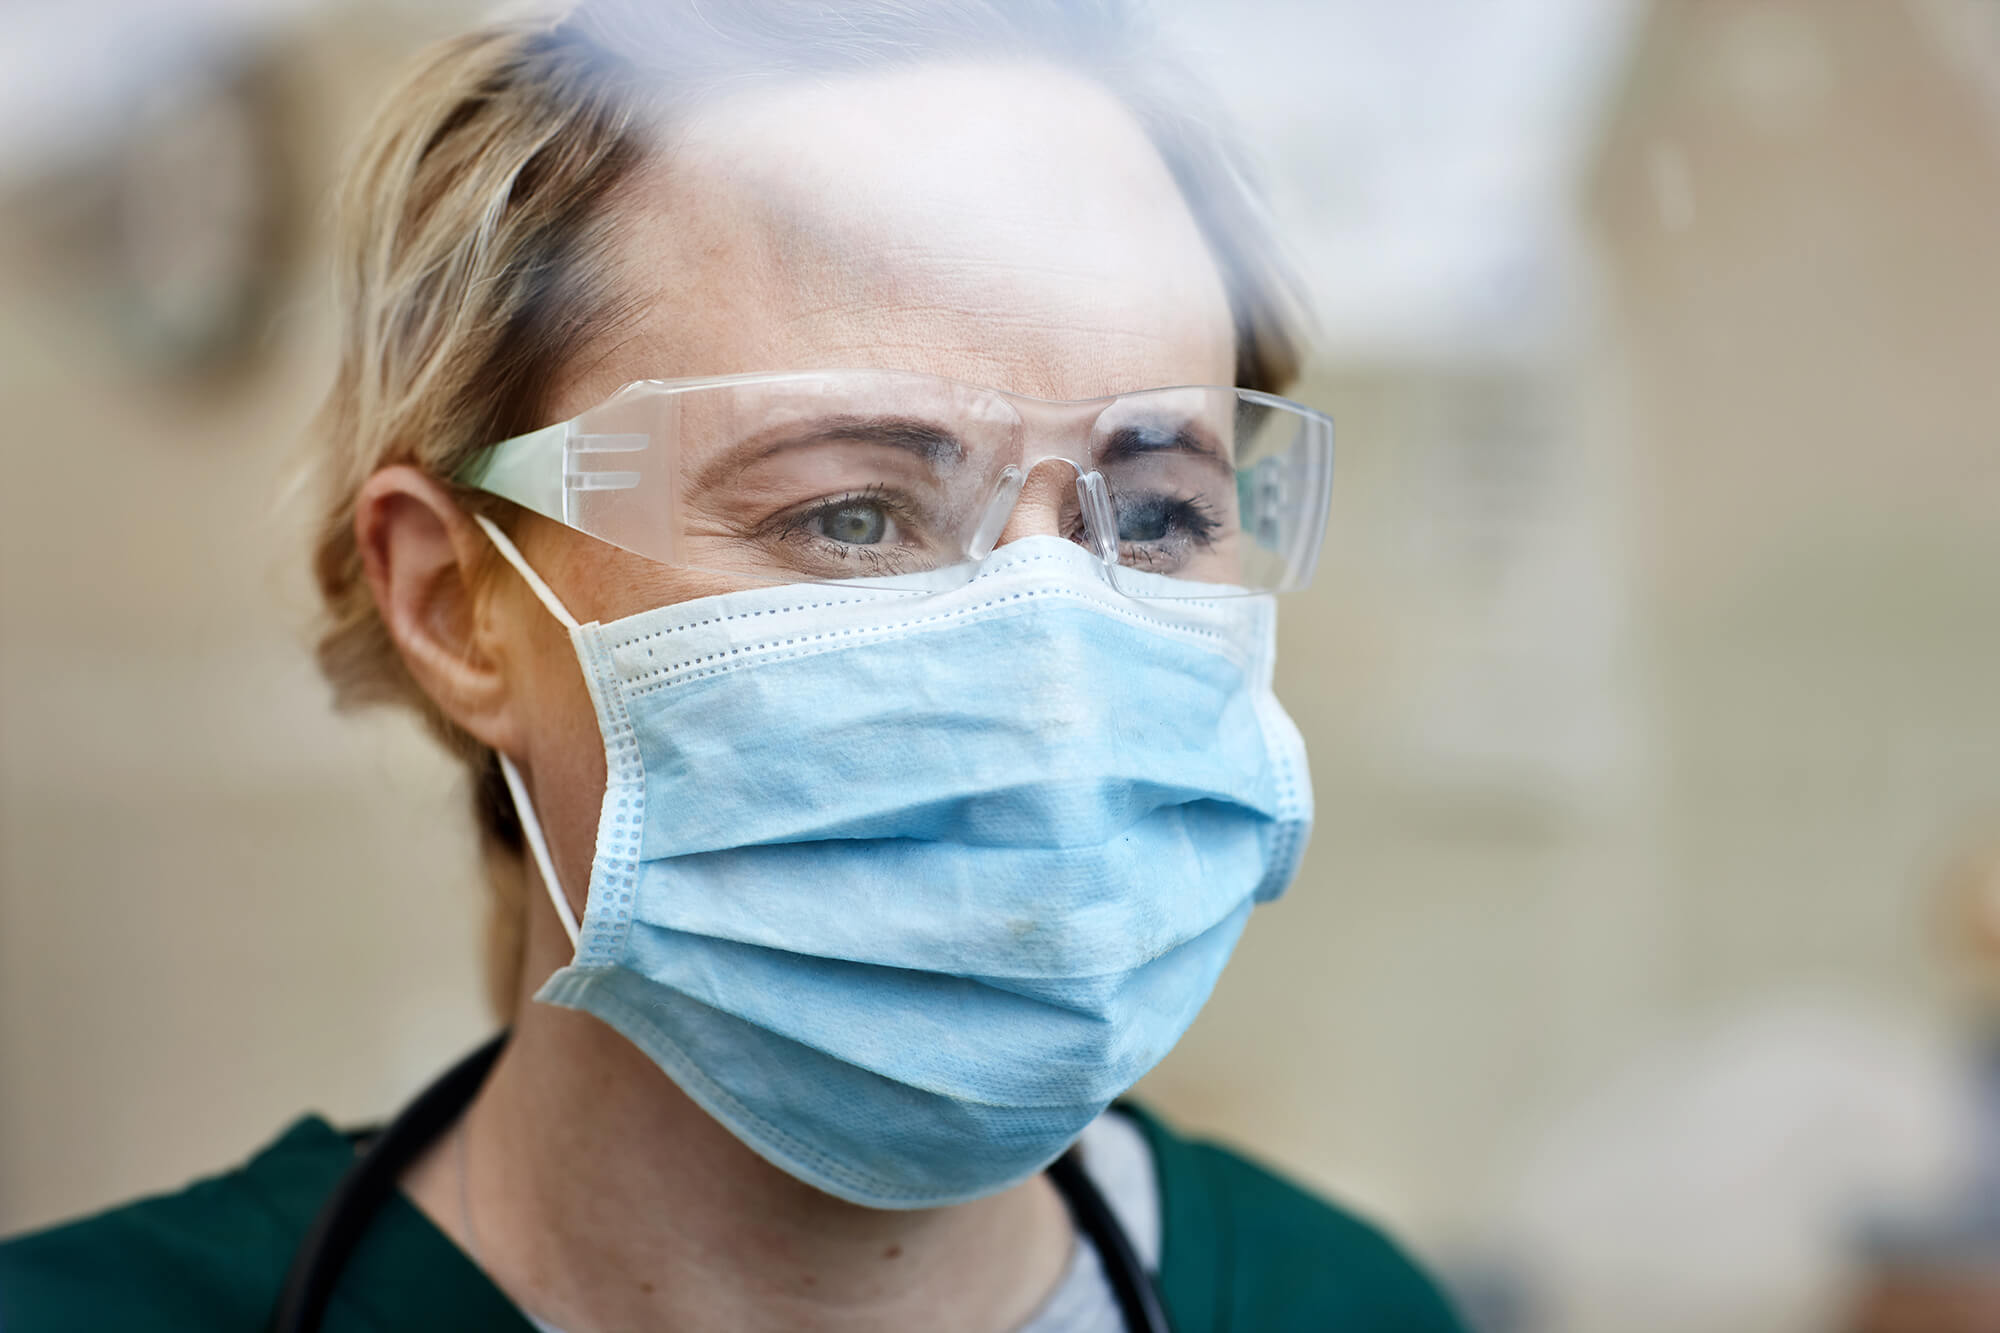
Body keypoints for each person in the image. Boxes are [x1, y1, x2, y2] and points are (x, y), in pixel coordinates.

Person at [0, 2, 1467, 1330]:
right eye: (850, 511)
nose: (1057, 673)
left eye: (1155, 516)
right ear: (456, 605)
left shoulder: (1338, 1305)